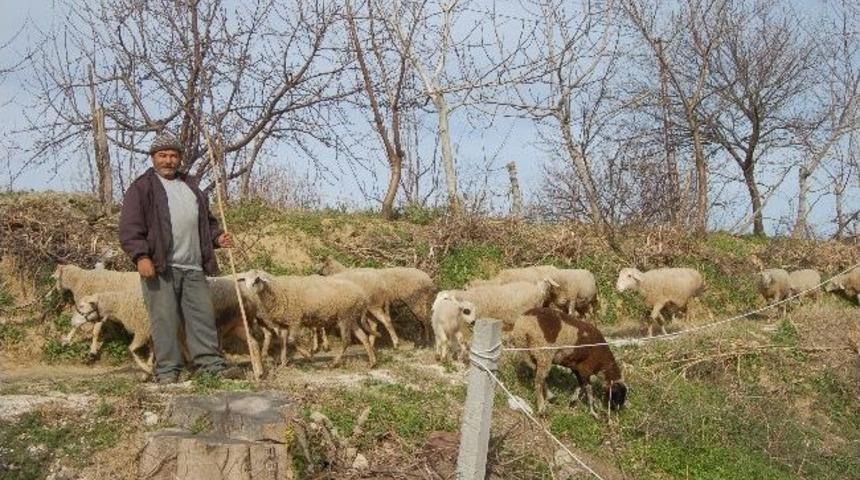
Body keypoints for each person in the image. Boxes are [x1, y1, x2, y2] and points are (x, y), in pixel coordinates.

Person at [119, 130, 243, 383]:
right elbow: (130, 228)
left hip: (193, 266)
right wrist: (141, 256)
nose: (168, 160)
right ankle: (167, 371)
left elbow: (205, 224)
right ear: (153, 157)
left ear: (180, 158)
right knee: (164, 319)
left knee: (203, 318)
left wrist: (217, 238)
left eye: (173, 156)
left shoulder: (192, 187)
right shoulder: (142, 188)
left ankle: (210, 366)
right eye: (162, 155)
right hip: (160, 266)